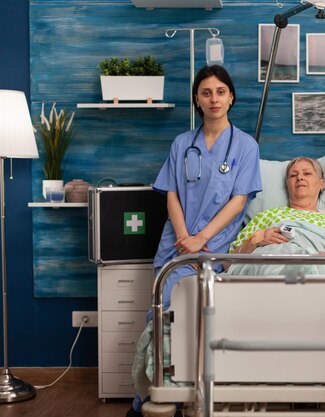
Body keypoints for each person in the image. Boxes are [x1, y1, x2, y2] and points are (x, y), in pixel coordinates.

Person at [128, 65, 262, 417]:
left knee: (205, 319)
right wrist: (186, 237)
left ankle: (200, 395)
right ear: (197, 101)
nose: (214, 99)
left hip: (216, 247)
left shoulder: (246, 145)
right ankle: (150, 398)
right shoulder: (181, 144)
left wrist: (203, 237)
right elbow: (171, 193)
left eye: (220, 91)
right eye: (206, 93)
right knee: (163, 314)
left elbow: (239, 200)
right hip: (178, 245)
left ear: (231, 97)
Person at [229, 156, 325, 274]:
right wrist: (256, 240)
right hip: (270, 263)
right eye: (293, 175)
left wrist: (323, 257)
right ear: (287, 185)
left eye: (307, 173)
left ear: (321, 184)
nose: (300, 178)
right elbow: (226, 264)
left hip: (318, 267)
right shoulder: (267, 215)